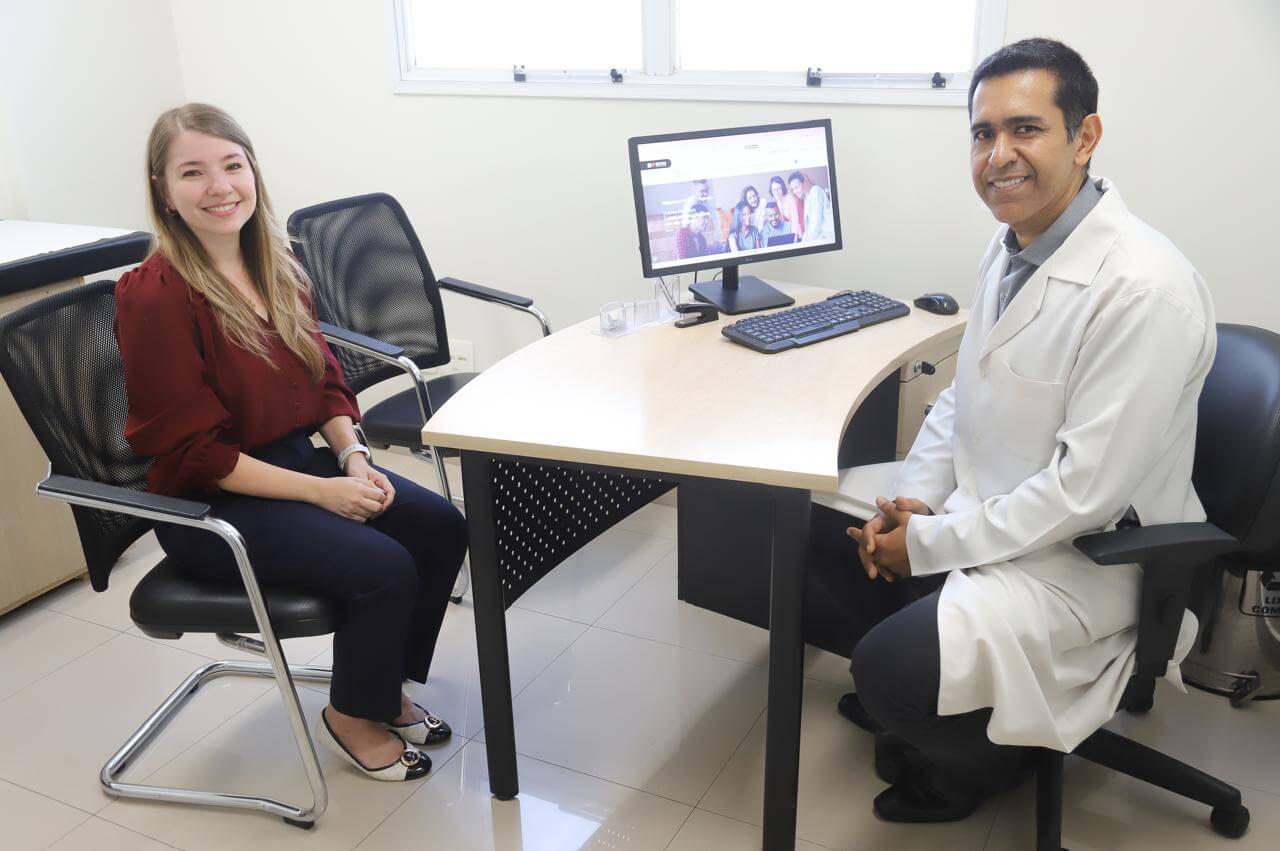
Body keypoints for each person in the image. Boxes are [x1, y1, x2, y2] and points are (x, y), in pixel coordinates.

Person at [836, 38, 1215, 823]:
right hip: (1003, 516)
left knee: (886, 669)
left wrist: (930, 543)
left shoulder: (1144, 290)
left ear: (1085, 136)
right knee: (838, 539)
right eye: (983, 133)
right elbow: (962, 397)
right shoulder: (1014, 244)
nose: (997, 155)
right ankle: (937, 712)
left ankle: (975, 769)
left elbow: (1084, 494)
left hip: (1088, 558)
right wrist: (914, 501)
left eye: (1025, 129)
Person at [115, 103, 468, 783]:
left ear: (253, 171)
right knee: (384, 566)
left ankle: (381, 686)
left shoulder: (276, 265)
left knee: (439, 526)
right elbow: (198, 453)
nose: (220, 187)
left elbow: (328, 382)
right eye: (193, 172)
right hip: (210, 504)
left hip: (294, 464)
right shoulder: (155, 295)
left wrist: (353, 458)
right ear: (163, 189)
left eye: (232, 165)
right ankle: (352, 715)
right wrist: (322, 493)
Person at [788, 170, 834, 242]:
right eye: (793, 189)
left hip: (826, 236)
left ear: (805, 183)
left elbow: (816, 223)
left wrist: (807, 243)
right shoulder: (806, 197)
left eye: (796, 187)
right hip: (818, 237)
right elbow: (808, 228)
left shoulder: (816, 191)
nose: (794, 192)